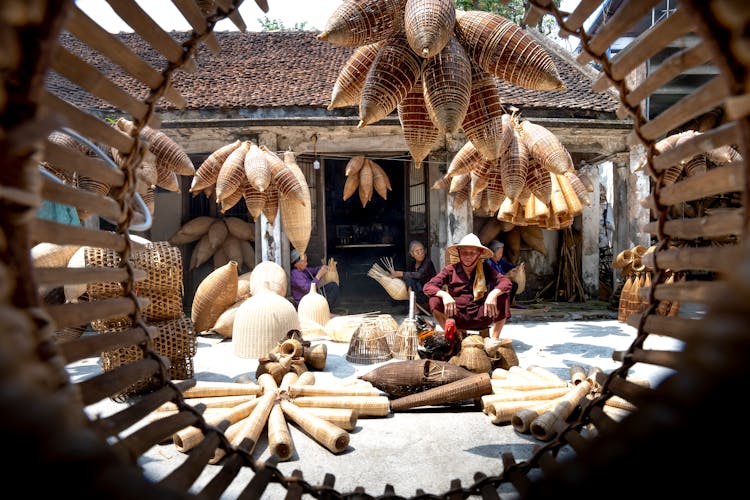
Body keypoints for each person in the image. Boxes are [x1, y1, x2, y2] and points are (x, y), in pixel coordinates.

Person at [423, 233, 513, 339]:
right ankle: (453, 338)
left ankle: (493, 340)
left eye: (472, 253)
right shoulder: (451, 270)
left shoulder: (485, 268)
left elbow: (506, 282)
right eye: (464, 253)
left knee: (503, 296)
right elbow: (428, 287)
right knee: (434, 300)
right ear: (459, 253)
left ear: (479, 254)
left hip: (481, 315)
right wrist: (444, 295)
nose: (468, 257)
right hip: (457, 316)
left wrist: (493, 294)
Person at [390, 240, 436, 312]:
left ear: (425, 251)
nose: (420, 253)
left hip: (427, 293)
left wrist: (402, 274)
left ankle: (415, 308)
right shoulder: (412, 264)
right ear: (412, 254)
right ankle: (412, 306)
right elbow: (410, 275)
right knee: (408, 280)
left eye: (422, 250)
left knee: (409, 280)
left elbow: (419, 275)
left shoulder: (428, 262)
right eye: (417, 251)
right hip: (417, 293)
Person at [487, 240, 520, 307]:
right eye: (499, 253)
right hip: (492, 286)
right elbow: (493, 279)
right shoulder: (489, 263)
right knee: (511, 285)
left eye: (501, 253)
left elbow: (509, 266)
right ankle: (504, 304)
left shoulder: (500, 261)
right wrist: (507, 276)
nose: (501, 255)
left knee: (513, 285)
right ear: (492, 253)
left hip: (501, 282)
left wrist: (518, 267)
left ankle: (508, 303)